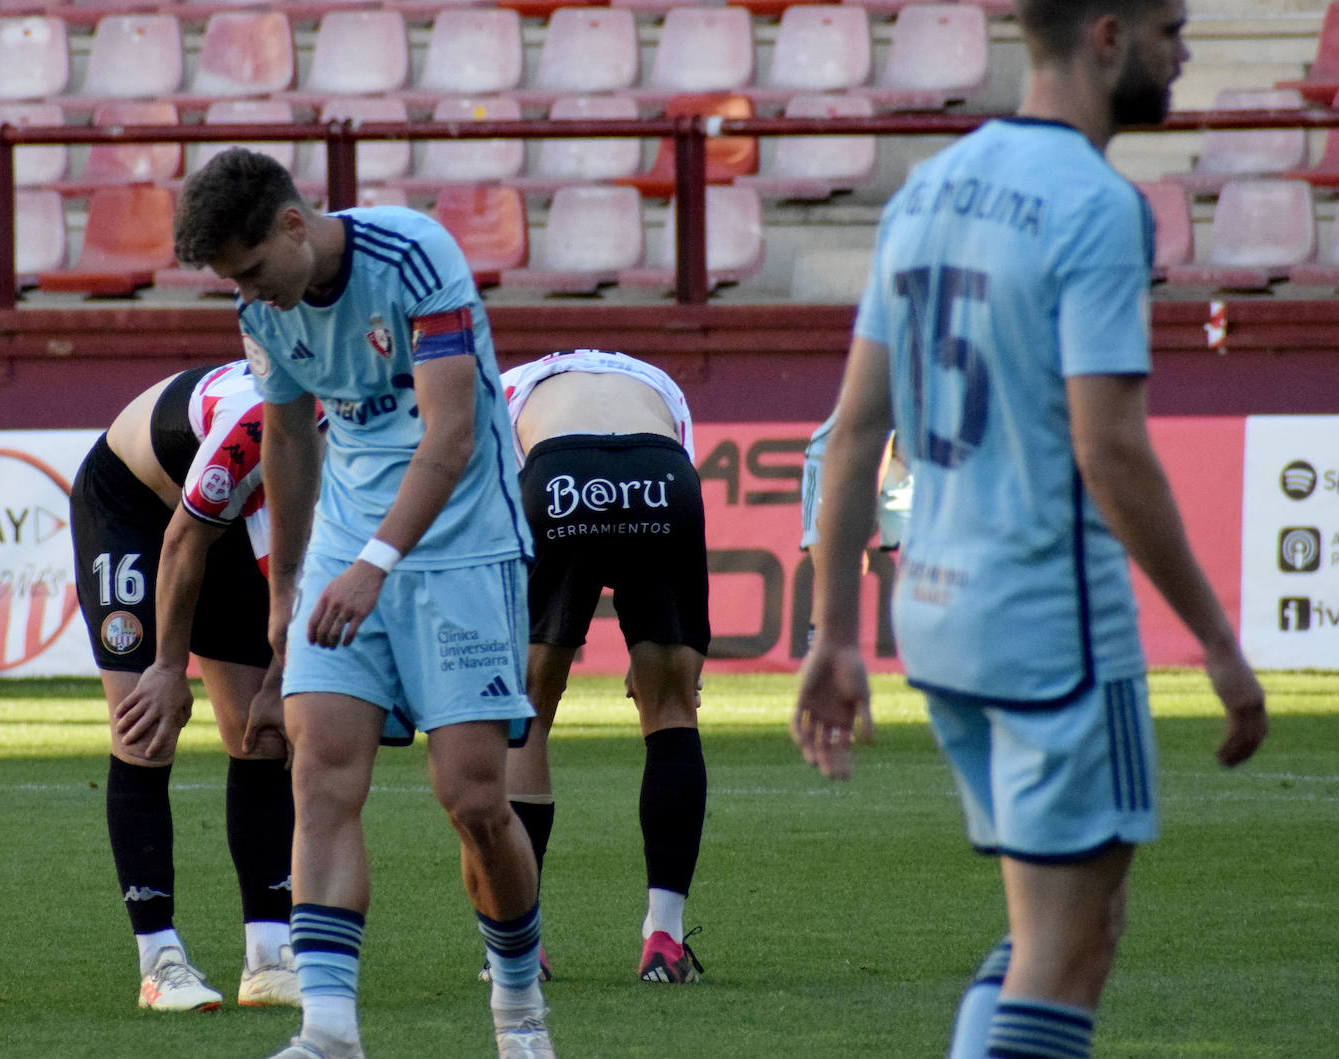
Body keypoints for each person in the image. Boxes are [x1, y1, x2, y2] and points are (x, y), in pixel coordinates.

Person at [793, 3, 1269, 1057]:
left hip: (940, 617)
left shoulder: (927, 191)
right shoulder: (1097, 206)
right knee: (1070, 945)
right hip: (1052, 623)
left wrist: (834, 635)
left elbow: (854, 430)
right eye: (1169, 28)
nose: (1182, 51)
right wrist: (1222, 644)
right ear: (1107, 34)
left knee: (1058, 930)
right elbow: (1113, 452)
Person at [172, 148, 555, 1059]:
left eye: (257, 270)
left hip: (462, 547)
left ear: (295, 225)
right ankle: (330, 1031)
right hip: (348, 555)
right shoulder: (260, 310)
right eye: (236, 282)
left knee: (472, 799)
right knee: (319, 777)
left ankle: (519, 1009)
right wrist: (289, 583)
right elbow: (291, 439)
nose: (252, 295)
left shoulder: (417, 258)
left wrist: (375, 564)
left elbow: (453, 434)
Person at [70, 359, 307, 1013]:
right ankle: (160, 960)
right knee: (148, 723)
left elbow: (298, 576)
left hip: (227, 525)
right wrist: (169, 669)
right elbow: (181, 542)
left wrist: (281, 681)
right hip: (139, 512)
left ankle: (268, 955)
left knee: (262, 734)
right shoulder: (258, 425)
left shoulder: (374, 440)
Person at [498, 348, 710, 985]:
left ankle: (519, 945)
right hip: (661, 471)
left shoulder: (508, 392)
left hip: (559, 472)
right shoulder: (659, 385)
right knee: (671, 708)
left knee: (528, 712)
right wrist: (662, 665)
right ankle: (665, 940)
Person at [799, 412, 912, 743]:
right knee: (837, 575)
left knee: (939, 558)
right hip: (838, 455)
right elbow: (868, 442)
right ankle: (824, 699)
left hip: (907, 456)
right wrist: (853, 527)